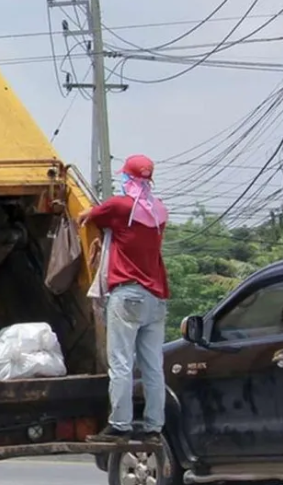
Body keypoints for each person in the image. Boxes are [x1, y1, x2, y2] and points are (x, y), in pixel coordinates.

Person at [78, 154, 170, 444]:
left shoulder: (119, 206)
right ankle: (154, 427)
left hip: (128, 295)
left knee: (120, 363)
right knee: (153, 366)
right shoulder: (159, 212)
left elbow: (85, 217)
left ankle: (120, 424)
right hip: (156, 299)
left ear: (128, 178)